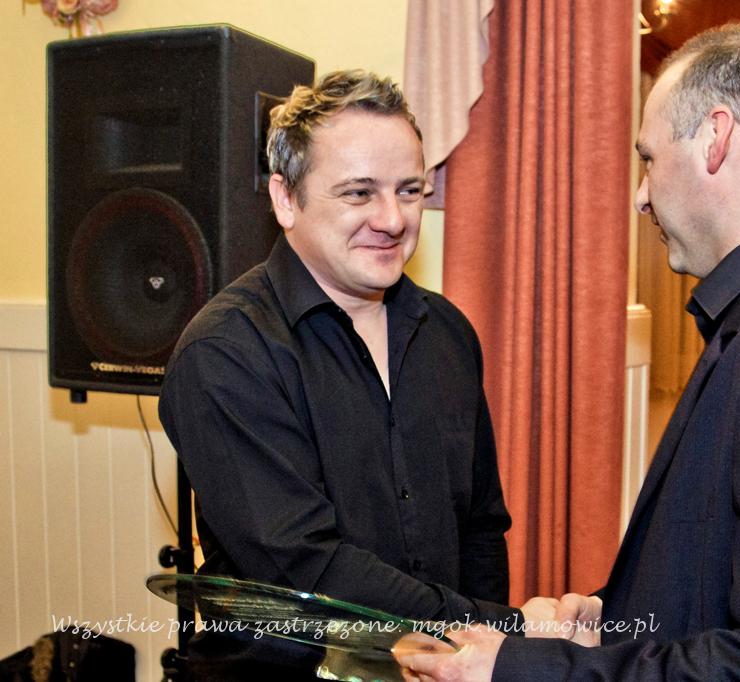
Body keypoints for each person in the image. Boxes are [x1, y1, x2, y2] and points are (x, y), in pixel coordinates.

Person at [397, 24, 740, 681]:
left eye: (648, 158)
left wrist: (528, 669)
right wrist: (611, 626)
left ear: (715, 138)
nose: (641, 195)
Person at [158, 70, 529, 679]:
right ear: (286, 199)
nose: (393, 218)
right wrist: (490, 628)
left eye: (409, 190)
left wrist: (482, 658)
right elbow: (306, 570)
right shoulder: (224, 353)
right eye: (359, 193)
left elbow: (482, 528)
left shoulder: (449, 333)